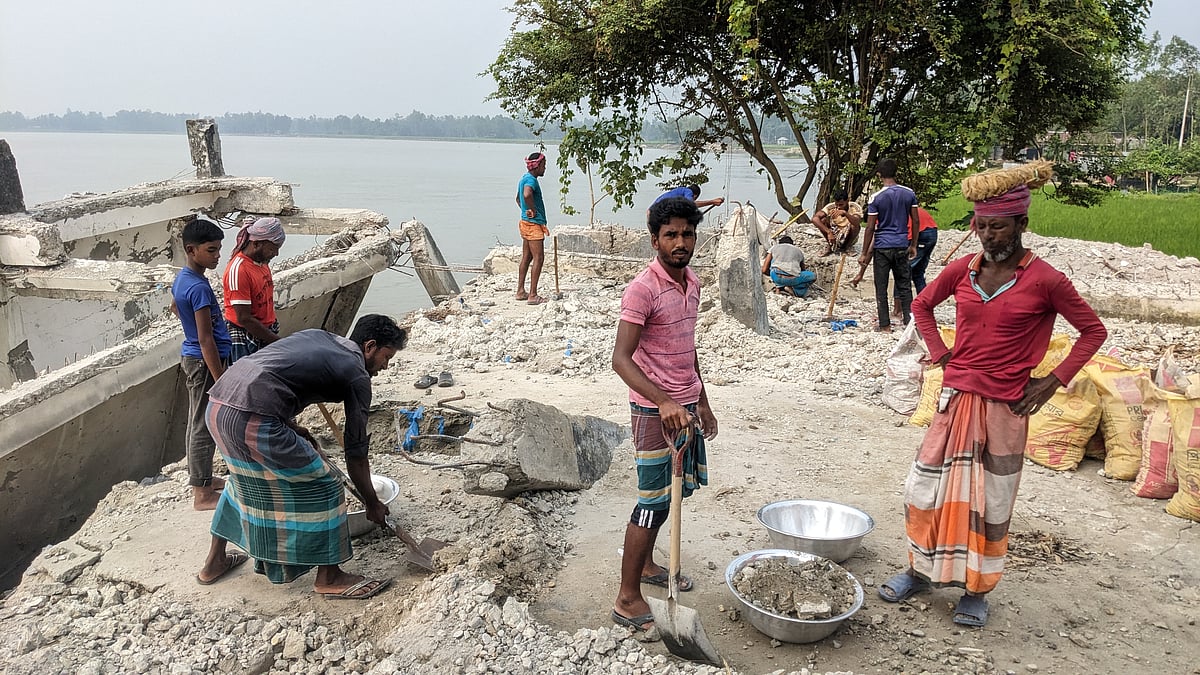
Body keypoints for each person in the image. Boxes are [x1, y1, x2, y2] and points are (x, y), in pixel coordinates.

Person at [877, 160, 1107, 628]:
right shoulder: (962, 271)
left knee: (989, 501)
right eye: (981, 226)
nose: (987, 235)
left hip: (1006, 405)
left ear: (1021, 224)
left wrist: (1051, 381)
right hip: (956, 399)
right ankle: (919, 571)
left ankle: (977, 589)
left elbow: (1092, 332)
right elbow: (921, 304)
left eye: (997, 226)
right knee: (925, 489)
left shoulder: (1046, 280)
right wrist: (941, 352)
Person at [195, 315, 409, 599]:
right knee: (327, 484)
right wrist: (372, 502)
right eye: (386, 357)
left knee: (242, 479)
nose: (385, 366)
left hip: (219, 406)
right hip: (254, 417)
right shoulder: (357, 374)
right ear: (369, 346)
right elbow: (356, 453)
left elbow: (272, 373)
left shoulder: (318, 336)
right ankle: (330, 577)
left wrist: (292, 427)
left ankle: (215, 562)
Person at [610, 197, 718, 636]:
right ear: (654, 240)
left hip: (685, 408)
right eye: (670, 234)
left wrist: (702, 400)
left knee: (671, 495)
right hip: (654, 411)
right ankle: (626, 598)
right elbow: (621, 359)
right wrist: (664, 402)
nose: (680, 242)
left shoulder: (692, 282)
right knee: (651, 501)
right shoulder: (643, 288)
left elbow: (687, 347)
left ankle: (649, 564)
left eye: (687, 234)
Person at [171, 219, 232, 511]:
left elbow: (175, 306)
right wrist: (221, 379)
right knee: (202, 425)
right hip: (203, 360)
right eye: (211, 250)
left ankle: (203, 479)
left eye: (219, 249)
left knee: (198, 420)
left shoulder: (185, 279)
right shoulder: (198, 288)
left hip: (196, 356)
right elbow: (206, 339)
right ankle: (202, 494)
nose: (218, 255)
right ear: (191, 250)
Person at [858, 158, 918, 332]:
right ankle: (909, 324)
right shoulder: (909, 194)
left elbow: (870, 227)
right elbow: (915, 220)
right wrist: (913, 244)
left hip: (882, 246)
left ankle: (885, 325)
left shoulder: (876, 198)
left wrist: (864, 252)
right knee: (904, 286)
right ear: (895, 172)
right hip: (901, 244)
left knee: (881, 287)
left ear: (879, 175)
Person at [222, 216, 286, 361]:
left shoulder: (262, 263)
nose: (276, 254)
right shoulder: (239, 270)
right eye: (272, 249)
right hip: (246, 335)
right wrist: (278, 342)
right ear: (256, 244)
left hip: (264, 331)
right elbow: (244, 318)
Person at [890, 206, 939, 317]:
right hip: (932, 231)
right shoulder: (904, 207)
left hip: (922, 233)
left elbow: (909, 234)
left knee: (902, 272)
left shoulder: (897, 213)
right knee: (918, 273)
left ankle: (898, 310)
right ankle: (926, 307)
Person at [515, 151, 550, 306]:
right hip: (534, 224)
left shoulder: (524, 178)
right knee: (538, 258)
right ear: (537, 166)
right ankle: (533, 295)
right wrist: (533, 210)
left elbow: (518, 199)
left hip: (525, 222)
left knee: (527, 257)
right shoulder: (531, 181)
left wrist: (525, 210)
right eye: (544, 165)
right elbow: (527, 194)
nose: (545, 168)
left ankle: (520, 291)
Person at [811, 190, 863, 256]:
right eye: (837, 204)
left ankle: (848, 247)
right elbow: (814, 219)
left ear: (847, 201)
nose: (838, 207)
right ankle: (830, 245)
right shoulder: (831, 207)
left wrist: (845, 213)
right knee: (823, 220)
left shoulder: (854, 207)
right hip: (834, 233)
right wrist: (828, 232)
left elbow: (856, 222)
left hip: (848, 234)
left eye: (841, 205)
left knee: (854, 225)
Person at [651, 184, 725, 210]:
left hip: (651, 212)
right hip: (659, 212)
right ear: (695, 196)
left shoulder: (678, 192)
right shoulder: (688, 191)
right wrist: (713, 201)